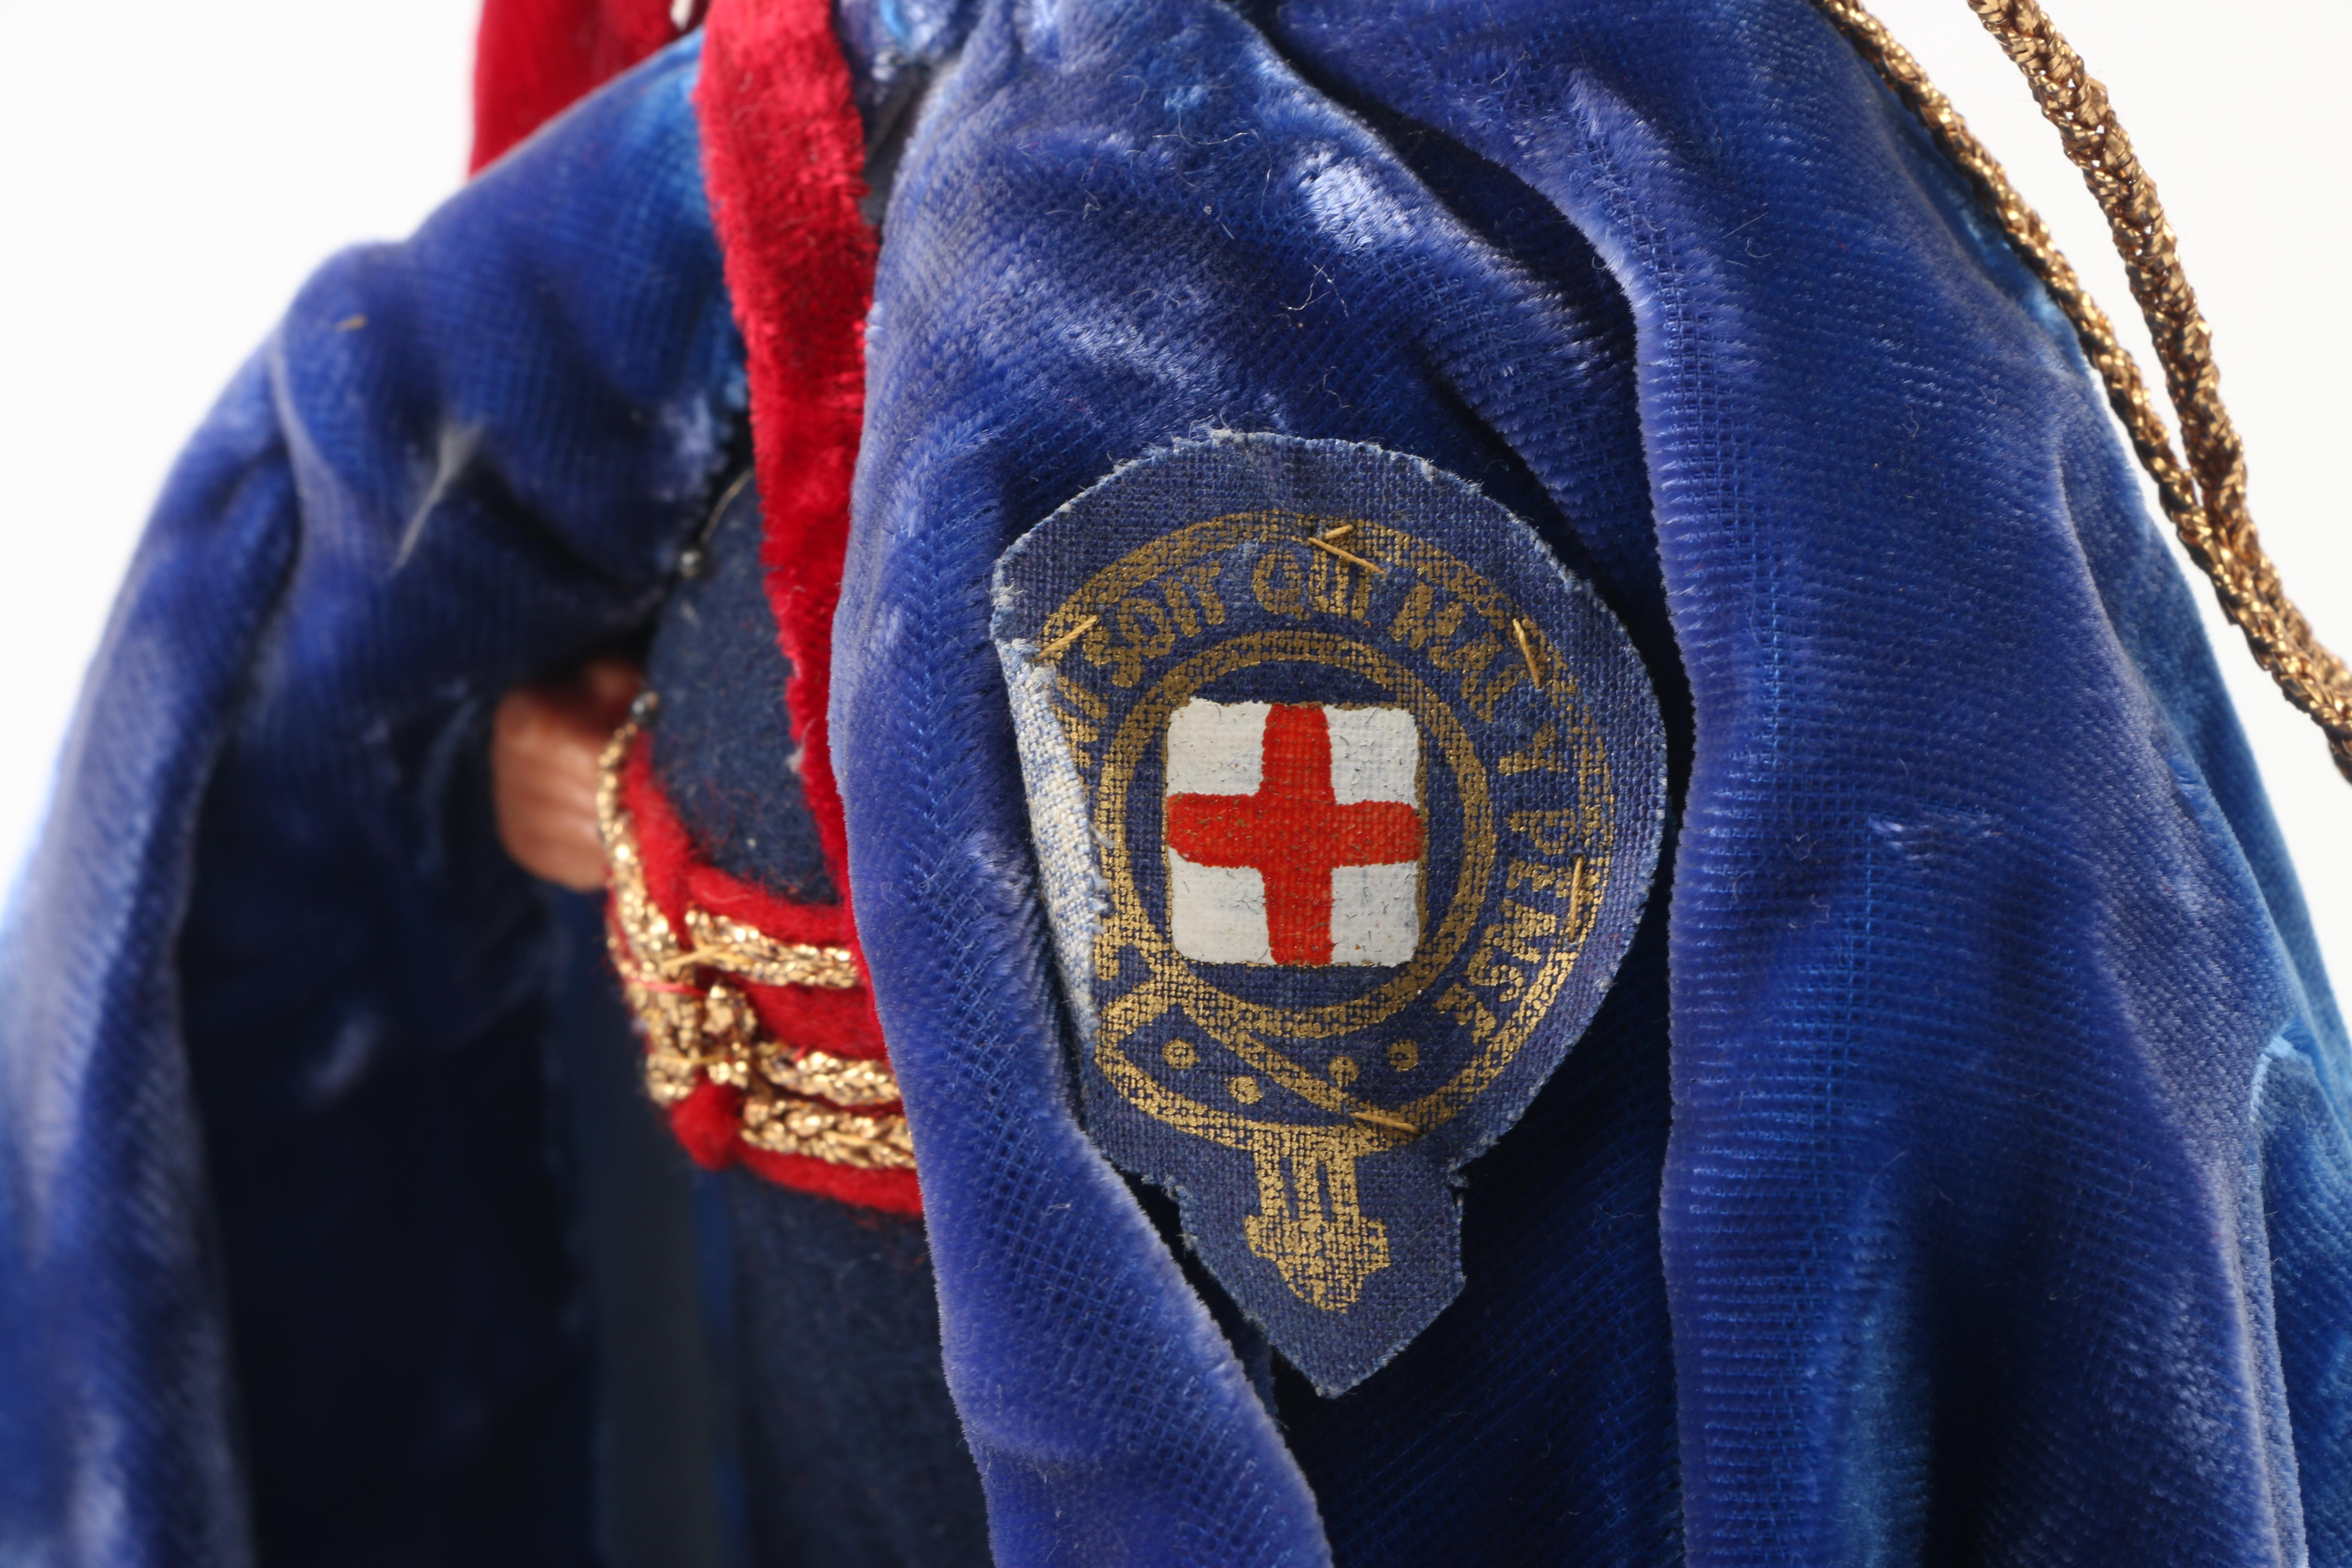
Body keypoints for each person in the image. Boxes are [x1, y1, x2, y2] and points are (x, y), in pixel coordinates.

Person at [5, 0, 2347, 1563]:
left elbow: (1978, 915)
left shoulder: (1703, 181)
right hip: (817, 1312)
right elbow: (394, 451)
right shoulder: (865, 88)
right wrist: (495, 741)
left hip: (1492, 1371)